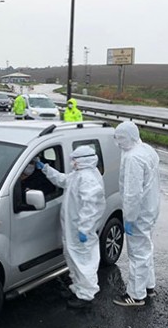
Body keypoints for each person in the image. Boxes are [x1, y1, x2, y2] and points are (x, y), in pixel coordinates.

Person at [35, 146, 106, 309]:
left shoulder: (88, 178)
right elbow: (63, 180)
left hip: (81, 230)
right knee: (73, 259)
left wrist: (84, 229)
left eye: (75, 159)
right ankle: (78, 288)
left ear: (83, 160)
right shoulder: (79, 174)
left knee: (84, 262)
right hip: (73, 228)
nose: (72, 162)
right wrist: (45, 168)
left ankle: (86, 295)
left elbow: (90, 207)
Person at [112, 121, 160, 307]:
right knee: (146, 248)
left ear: (130, 137)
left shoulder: (133, 158)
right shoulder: (147, 150)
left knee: (137, 252)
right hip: (151, 207)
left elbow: (133, 193)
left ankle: (135, 295)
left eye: (121, 138)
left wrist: (129, 219)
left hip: (139, 212)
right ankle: (149, 286)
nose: (118, 143)